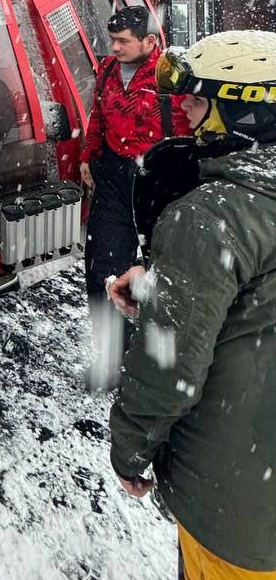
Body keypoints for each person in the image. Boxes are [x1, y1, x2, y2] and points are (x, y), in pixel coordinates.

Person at [107, 31, 276, 578]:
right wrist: (164, 280)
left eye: (200, 101)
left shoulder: (209, 218)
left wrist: (130, 452)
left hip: (241, 511)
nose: (185, 111)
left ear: (242, 115)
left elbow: (168, 366)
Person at [79, 5, 191, 386]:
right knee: (101, 271)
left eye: (123, 41)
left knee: (162, 276)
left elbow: (194, 129)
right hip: (113, 177)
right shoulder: (109, 71)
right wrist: (88, 158)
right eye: (112, 40)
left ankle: (160, 365)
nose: (114, 47)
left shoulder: (172, 78)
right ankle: (113, 359)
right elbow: (97, 116)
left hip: (157, 181)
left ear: (150, 41)